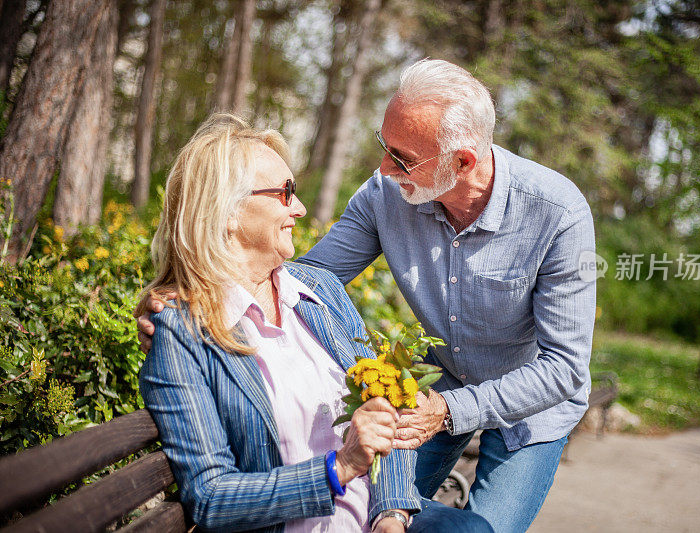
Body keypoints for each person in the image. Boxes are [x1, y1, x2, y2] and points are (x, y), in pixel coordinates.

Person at [139, 58, 595, 532]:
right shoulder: (386, 191)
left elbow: (564, 366)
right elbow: (303, 278)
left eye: (402, 158)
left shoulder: (558, 213)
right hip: (443, 386)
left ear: (462, 162)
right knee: (378, 498)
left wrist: (444, 411)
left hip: (532, 404)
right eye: (385, 146)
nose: (383, 168)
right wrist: (195, 288)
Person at [136, 113, 492, 533]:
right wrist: (338, 469)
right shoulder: (183, 331)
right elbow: (212, 497)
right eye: (285, 193)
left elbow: (383, 411)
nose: (300, 209)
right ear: (227, 212)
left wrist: (392, 516)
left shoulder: (319, 291)